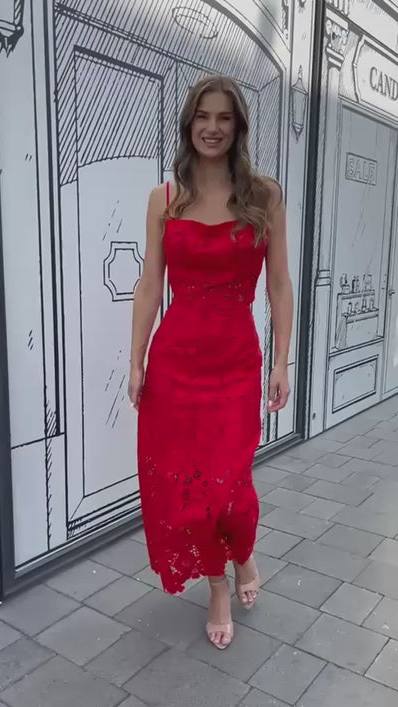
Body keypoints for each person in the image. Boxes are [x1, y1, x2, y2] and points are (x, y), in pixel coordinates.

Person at [129, 74, 292, 650]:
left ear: (238, 126)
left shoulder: (264, 196)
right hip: (175, 365)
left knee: (229, 486)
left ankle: (242, 552)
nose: (213, 128)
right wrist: (136, 360)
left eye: (224, 117)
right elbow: (149, 285)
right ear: (189, 124)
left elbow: (279, 285)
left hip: (236, 364)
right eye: (203, 116)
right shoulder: (165, 198)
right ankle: (218, 585)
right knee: (188, 492)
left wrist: (282, 362)